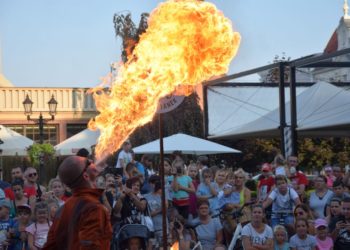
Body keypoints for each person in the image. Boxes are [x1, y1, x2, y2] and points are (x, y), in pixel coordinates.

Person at [43, 156, 112, 249]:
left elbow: (50, 246)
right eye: (88, 162)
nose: (92, 161)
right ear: (86, 176)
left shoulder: (62, 209)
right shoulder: (93, 209)